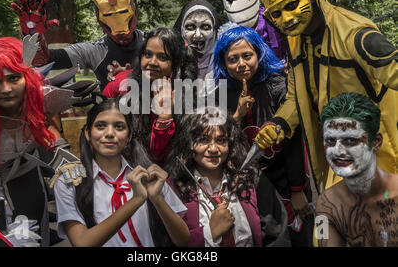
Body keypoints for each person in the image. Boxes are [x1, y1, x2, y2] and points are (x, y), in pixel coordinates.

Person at [254, 0, 398, 191]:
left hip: (379, 164)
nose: (286, 19)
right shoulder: (295, 42)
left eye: (292, 5)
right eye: (276, 14)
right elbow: (296, 96)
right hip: (336, 165)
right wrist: (278, 124)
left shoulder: (354, 34)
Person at [0, 37, 85, 247]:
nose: (6, 89)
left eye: (14, 78)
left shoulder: (40, 98)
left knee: (34, 238)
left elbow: (49, 132)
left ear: (27, 77)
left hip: (28, 180)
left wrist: (63, 155)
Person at [212, 26, 314, 246]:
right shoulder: (220, 95)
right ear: (223, 63)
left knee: (300, 236)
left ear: (259, 53)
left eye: (247, 56)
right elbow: (218, 142)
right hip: (249, 186)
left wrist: (297, 190)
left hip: (287, 179)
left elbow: (294, 142)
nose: (241, 64)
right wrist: (237, 115)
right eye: (232, 59)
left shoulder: (277, 86)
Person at [53, 98, 190, 247]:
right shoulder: (70, 181)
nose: (110, 133)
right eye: (100, 126)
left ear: (129, 135)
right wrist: (136, 199)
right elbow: (82, 243)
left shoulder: (148, 174)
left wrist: (157, 198)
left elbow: (182, 240)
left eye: (119, 127)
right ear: (87, 133)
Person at [165, 106, 290, 247]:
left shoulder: (249, 179)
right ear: (189, 144)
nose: (213, 149)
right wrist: (210, 232)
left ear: (230, 143)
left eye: (221, 140)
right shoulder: (174, 189)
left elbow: (276, 234)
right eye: (204, 140)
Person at [11, 0, 144, 88]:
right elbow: (43, 61)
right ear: (100, 20)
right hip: (112, 117)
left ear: (133, 13)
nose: (121, 33)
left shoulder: (155, 42)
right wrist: (33, 33)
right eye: (110, 18)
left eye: (122, 17)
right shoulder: (94, 51)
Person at [102, 27, 197, 163]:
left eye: (162, 57)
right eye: (148, 54)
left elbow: (159, 155)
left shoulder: (182, 96)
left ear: (175, 66)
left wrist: (165, 116)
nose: (152, 62)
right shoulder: (120, 87)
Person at [315, 92, 398, 247]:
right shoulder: (326, 204)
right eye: (330, 141)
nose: (338, 151)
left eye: (350, 141)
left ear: (376, 142)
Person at [221, 0, 287, 64]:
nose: (240, 4)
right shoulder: (226, 35)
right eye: (231, 1)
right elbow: (222, 70)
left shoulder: (273, 22)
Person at [173, 0, 220, 80]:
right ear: (182, 30)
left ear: (214, 31)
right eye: (191, 27)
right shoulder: (172, 60)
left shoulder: (225, 60)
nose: (198, 35)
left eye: (205, 27)